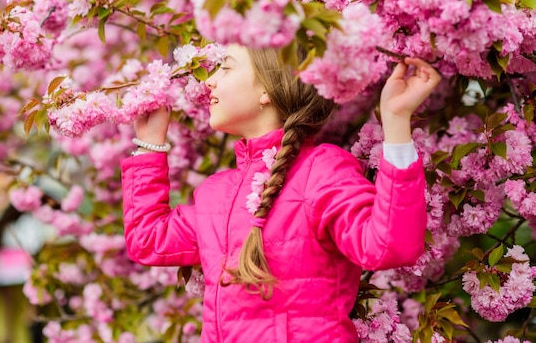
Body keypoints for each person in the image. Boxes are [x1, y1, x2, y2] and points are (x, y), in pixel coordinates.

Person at [120, 43, 441, 342]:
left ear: (266, 90)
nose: (210, 82)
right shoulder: (215, 194)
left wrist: (396, 121)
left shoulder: (322, 171)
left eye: (226, 68)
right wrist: (149, 145)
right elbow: (148, 240)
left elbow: (388, 247)